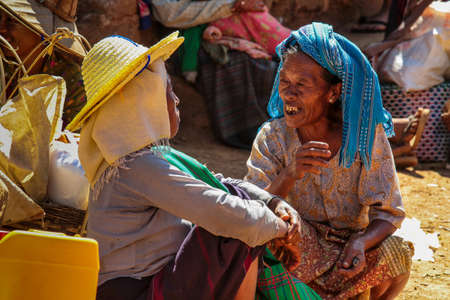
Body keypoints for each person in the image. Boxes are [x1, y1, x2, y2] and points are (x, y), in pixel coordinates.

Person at [65, 32, 320, 300]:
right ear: (144, 103)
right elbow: (219, 210)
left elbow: (222, 183)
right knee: (237, 225)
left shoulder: (135, 160)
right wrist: (281, 230)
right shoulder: (138, 166)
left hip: (143, 285)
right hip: (138, 292)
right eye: (168, 91)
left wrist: (273, 204)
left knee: (244, 213)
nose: (176, 100)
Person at [245, 23, 413, 299]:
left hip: (350, 250)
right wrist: (289, 174)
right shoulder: (273, 137)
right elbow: (248, 208)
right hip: (298, 247)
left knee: (396, 253)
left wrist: (360, 242)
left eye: (302, 85)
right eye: (285, 82)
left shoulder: (364, 137)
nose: (288, 93)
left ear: (333, 92)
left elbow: (388, 213)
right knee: (265, 248)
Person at [0, 0, 87, 127]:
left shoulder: (69, 80)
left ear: (41, 32)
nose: (1, 28)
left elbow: (75, 138)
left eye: (12, 21)